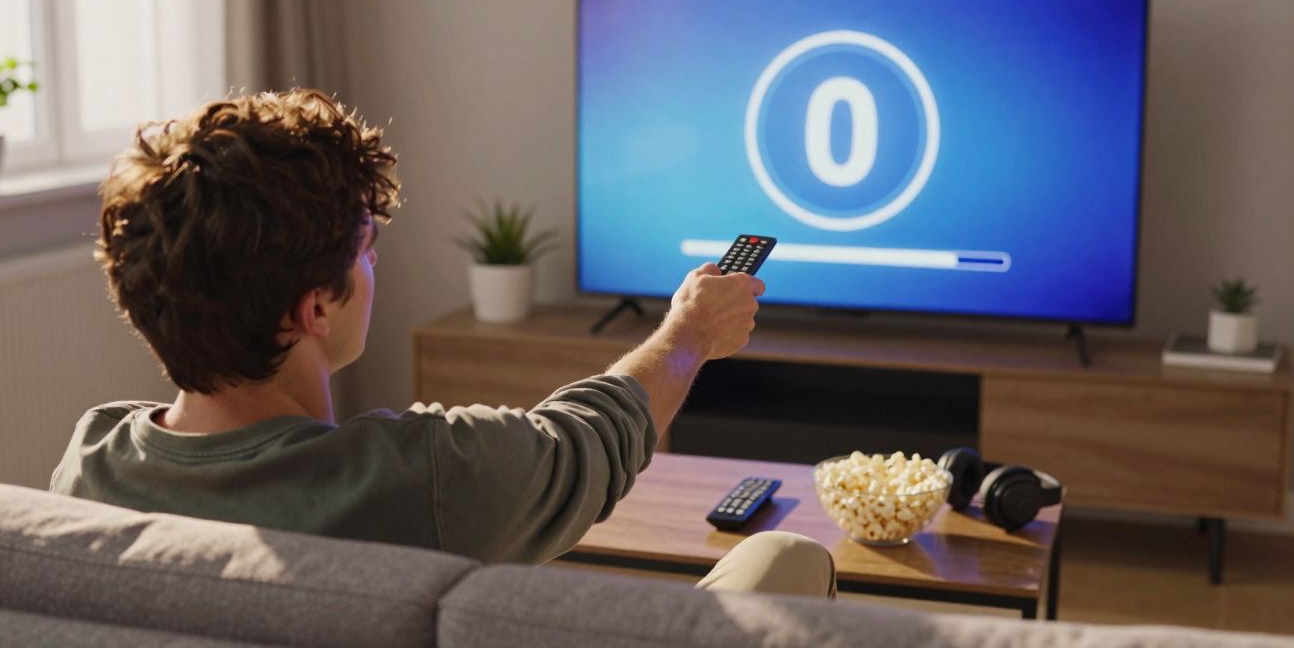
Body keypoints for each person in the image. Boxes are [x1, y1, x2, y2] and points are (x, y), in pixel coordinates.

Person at [50, 89, 835, 598]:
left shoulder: (91, 467)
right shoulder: (424, 478)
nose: (375, 261)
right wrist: (690, 333)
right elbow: (593, 439)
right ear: (316, 306)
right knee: (787, 561)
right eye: (365, 248)